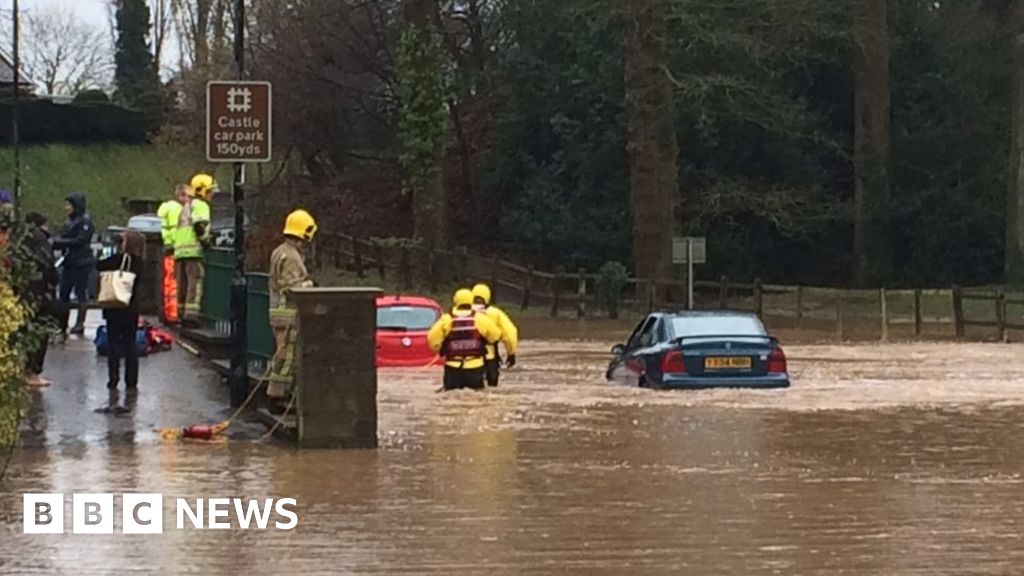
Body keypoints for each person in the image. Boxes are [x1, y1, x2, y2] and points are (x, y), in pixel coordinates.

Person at [267, 209, 317, 412]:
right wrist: (310, 285)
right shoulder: (291, 257)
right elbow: (290, 286)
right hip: (287, 315)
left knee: (283, 354)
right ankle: (277, 397)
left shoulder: (280, 251)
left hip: (279, 314)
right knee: (286, 357)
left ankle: (278, 395)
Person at [427, 288, 502, 391]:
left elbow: (432, 339)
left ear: (455, 301)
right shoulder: (481, 319)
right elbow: (495, 336)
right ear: (471, 301)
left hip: (452, 368)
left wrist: (441, 349)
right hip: (475, 368)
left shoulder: (446, 319)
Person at [96, 231, 144, 391]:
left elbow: (99, 265)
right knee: (130, 344)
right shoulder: (139, 262)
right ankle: (131, 380)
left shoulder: (117, 260)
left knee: (114, 343)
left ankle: (113, 378)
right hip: (131, 308)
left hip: (114, 307)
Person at [23, 212, 59, 387]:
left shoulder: (22, 240)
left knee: (26, 330)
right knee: (40, 331)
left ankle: (24, 369)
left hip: (24, 293)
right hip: (40, 293)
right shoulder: (41, 241)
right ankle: (33, 373)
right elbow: (49, 268)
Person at [174, 174, 216, 323]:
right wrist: (206, 242)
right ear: (203, 191)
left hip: (180, 252)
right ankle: (191, 317)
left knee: (183, 285)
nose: (212, 194)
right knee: (194, 284)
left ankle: (181, 313)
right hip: (193, 251)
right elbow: (199, 226)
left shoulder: (188, 205)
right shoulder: (201, 205)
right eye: (210, 191)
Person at [53, 192, 95, 336]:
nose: (66, 208)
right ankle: (61, 324)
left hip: (81, 262)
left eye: (69, 205)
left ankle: (79, 323)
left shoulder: (85, 222)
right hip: (70, 261)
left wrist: (60, 242)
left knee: (81, 293)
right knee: (63, 293)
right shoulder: (70, 221)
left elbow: (81, 240)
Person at [471, 283, 520, 387]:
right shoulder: (495, 313)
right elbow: (510, 334)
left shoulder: (463, 312)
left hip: (466, 358)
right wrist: (511, 353)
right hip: (489, 358)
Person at [157, 185, 187, 324]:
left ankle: (168, 312)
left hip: (168, 246)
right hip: (176, 247)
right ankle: (173, 314)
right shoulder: (179, 210)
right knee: (174, 282)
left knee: (168, 282)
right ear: (181, 196)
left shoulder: (167, 208)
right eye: (187, 196)